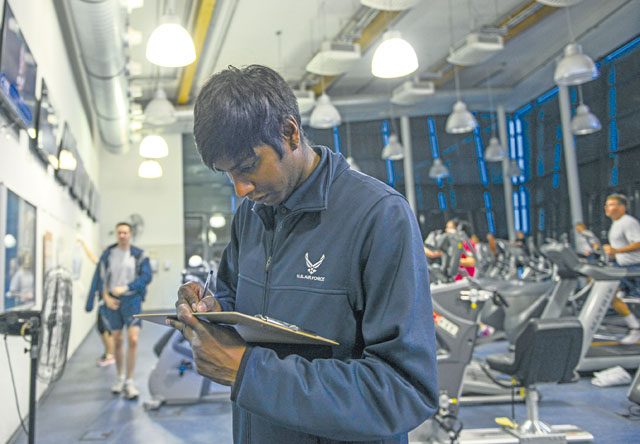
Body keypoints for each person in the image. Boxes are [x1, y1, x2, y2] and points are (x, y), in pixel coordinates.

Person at [167, 65, 438, 443]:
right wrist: (208, 311)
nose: (240, 188)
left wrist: (248, 372)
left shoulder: (379, 216)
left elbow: (404, 391)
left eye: (247, 167)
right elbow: (232, 301)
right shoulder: (252, 214)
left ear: (290, 133)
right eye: (226, 174)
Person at [86, 222, 152, 399]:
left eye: (125, 232)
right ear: (116, 234)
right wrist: (105, 297)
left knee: (133, 339)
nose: (122, 235)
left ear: (130, 234)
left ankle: (130, 381)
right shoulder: (108, 254)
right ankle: (120, 377)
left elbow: (147, 276)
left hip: (132, 301)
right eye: (119, 232)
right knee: (117, 340)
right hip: (112, 302)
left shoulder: (139, 255)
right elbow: (100, 278)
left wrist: (128, 287)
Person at [602, 193, 640, 344]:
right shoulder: (616, 224)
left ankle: (635, 329)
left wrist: (616, 251)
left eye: (611, 204)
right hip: (622, 266)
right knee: (611, 296)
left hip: (634, 267)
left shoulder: (628, 222)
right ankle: (635, 328)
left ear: (622, 207)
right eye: (606, 204)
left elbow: (638, 242)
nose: (607, 207)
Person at [80, 237, 115, 367]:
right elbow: (93, 258)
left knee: (106, 328)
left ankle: (110, 355)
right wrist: (83, 245)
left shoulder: (112, 267)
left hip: (108, 302)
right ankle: (108, 352)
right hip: (102, 302)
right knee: (102, 328)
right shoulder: (103, 264)